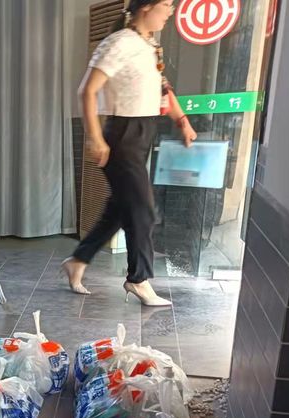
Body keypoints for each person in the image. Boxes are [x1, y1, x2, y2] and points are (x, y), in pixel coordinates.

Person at [62, 0, 196, 306]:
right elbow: (87, 90)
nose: (171, 11)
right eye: (167, 4)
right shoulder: (120, 42)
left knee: (122, 207)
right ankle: (139, 279)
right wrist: (95, 138)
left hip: (142, 131)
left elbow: (163, 90)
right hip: (123, 134)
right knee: (142, 210)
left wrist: (183, 121)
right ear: (147, 7)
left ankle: (78, 260)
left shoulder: (150, 45)